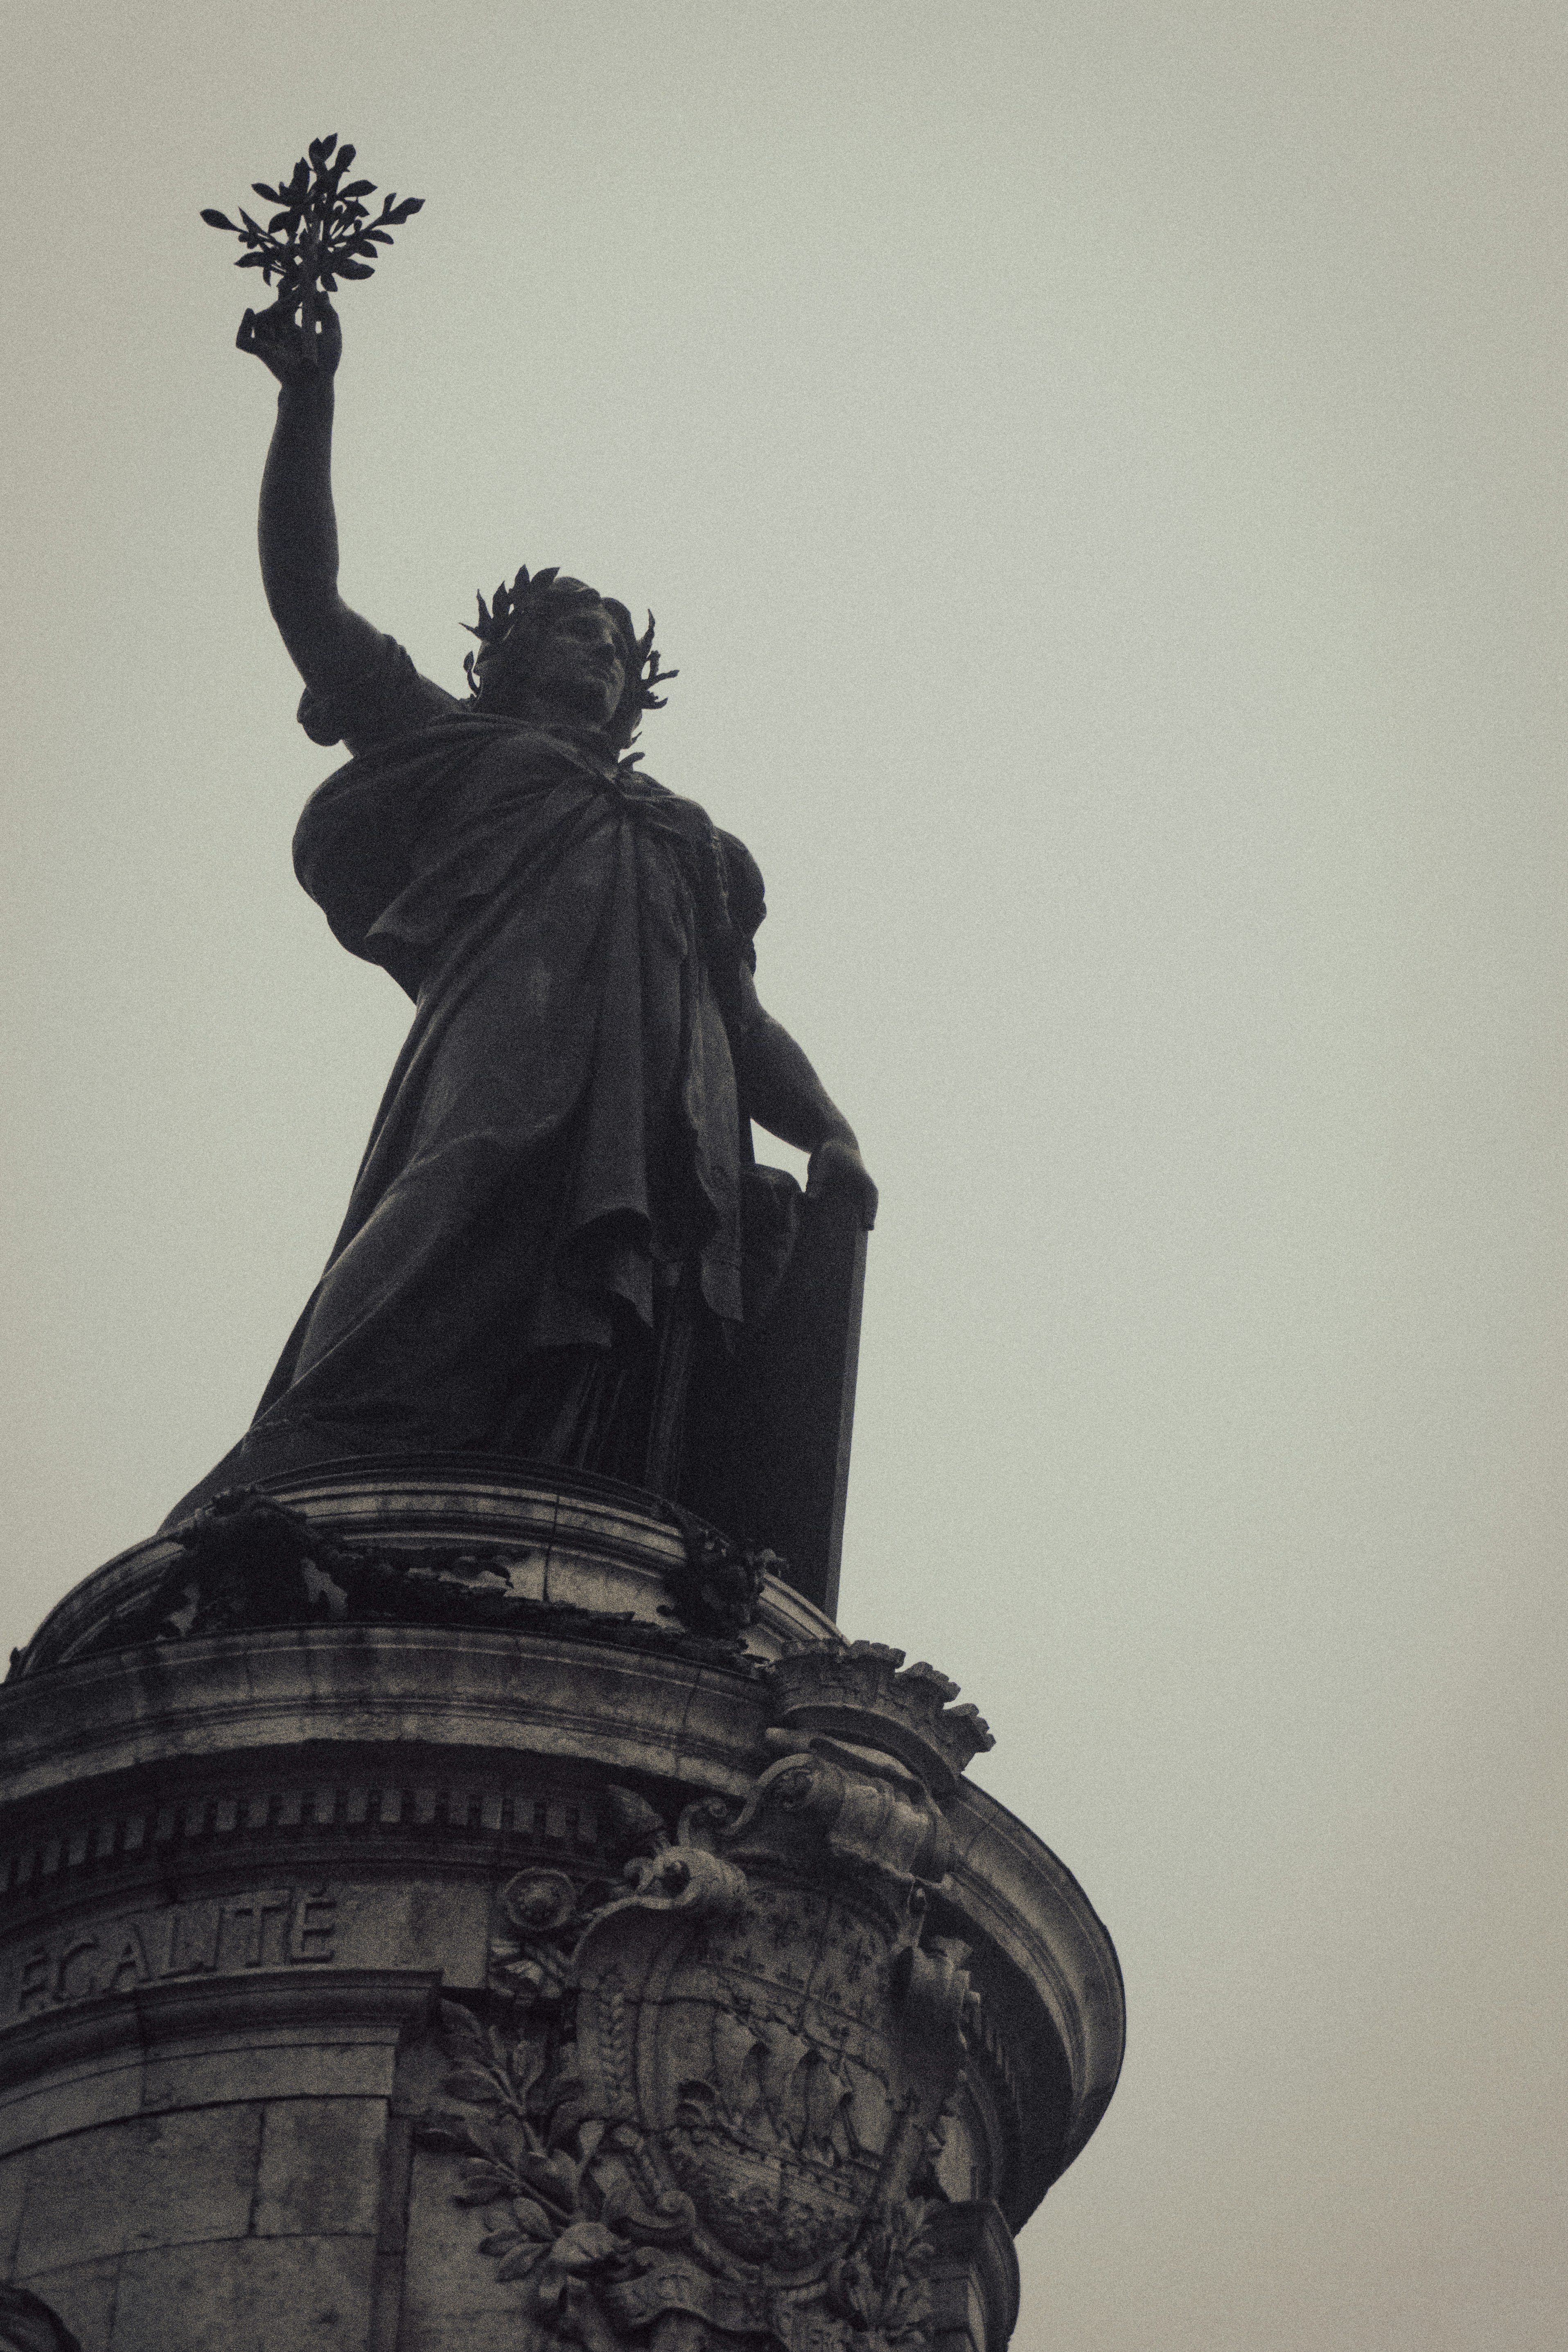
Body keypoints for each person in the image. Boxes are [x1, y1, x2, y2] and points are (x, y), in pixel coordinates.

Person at [192, 293, 876, 1505]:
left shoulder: (689, 839)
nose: (600, 654)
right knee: (453, 1201)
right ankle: (304, 1455)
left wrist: (829, 1126)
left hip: (674, 1112)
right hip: (506, 1057)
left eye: (615, 645)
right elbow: (311, 602)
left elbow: (744, 1018)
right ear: (512, 657)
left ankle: (566, 1503)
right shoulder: (462, 744)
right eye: (574, 629)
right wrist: (309, 408)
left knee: (649, 1306)